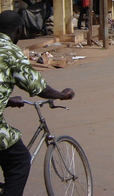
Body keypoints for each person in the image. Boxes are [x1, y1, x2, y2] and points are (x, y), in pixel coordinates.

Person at [0, 10, 75, 196]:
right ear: (19, 29)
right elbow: (37, 86)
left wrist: (7, 100)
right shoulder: (9, 51)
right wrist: (60, 95)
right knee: (19, 161)